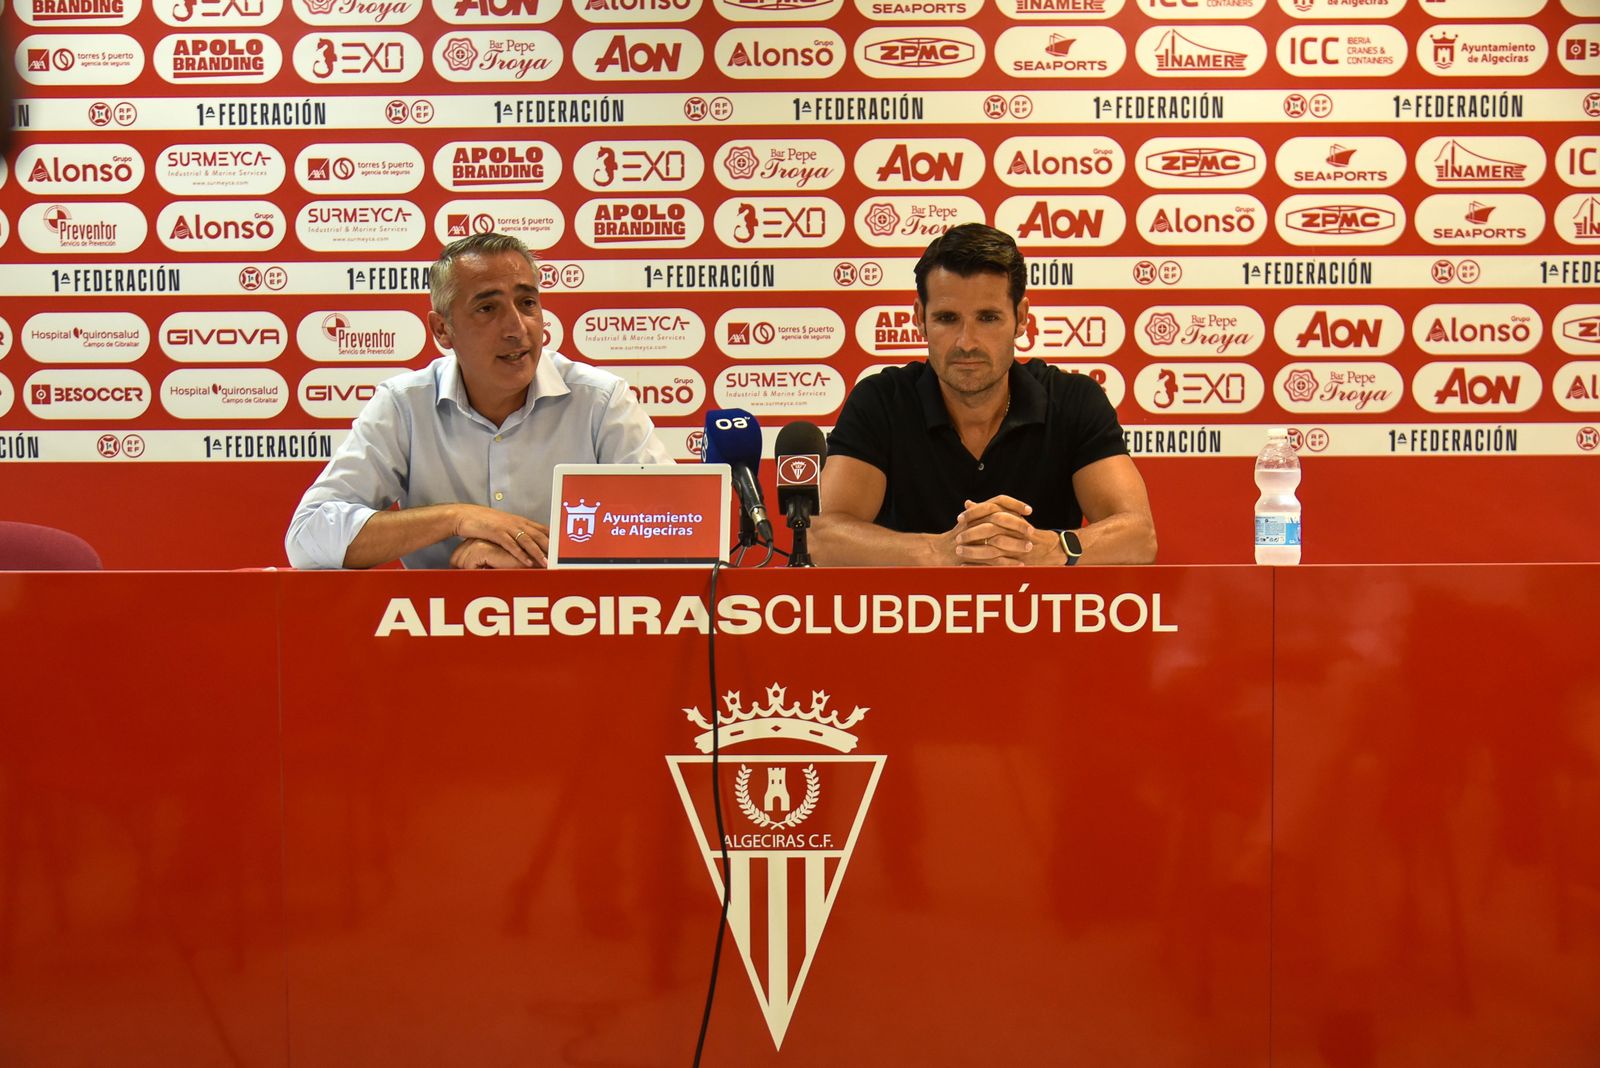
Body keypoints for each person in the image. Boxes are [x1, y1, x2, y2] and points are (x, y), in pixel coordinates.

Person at [285, 233, 671, 569]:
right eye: (488, 308)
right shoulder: (404, 405)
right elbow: (308, 536)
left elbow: (675, 531)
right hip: (439, 636)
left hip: (579, 626)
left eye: (527, 303)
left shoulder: (600, 400)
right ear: (442, 329)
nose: (517, 329)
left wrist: (528, 558)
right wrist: (458, 518)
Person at [811, 223, 1156, 567]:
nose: (967, 342)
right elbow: (821, 537)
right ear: (920, 319)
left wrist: (1043, 549)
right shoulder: (881, 401)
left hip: (1042, 618)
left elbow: (1139, 537)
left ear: (1021, 318)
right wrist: (941, 551)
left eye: (988, 318)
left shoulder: (1073, 400)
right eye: (947, 318)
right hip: (909, 619)